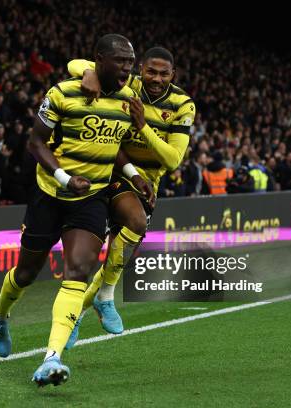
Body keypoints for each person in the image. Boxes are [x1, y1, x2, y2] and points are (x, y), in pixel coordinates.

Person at [0, 34, 139, 387]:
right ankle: (0, 314)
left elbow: (112, 143)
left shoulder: (128, 97)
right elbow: (35, 141)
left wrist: (133, 174)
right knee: (25, 274)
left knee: (78, 271)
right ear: (99, 59)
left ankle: (51, 357)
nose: (126, 70)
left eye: (130, 64)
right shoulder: (62, 93)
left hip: (92, 197)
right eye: (119, 61)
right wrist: (63, 175)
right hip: (50, 193)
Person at [64, 46, 194, 345]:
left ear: (173, 75)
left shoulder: (182, 104)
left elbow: (173, 159)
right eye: (151, 71)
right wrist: (88, 73)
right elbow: (74, 62)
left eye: (164, 74)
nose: (156, 78)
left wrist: (143, 126)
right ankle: (105, 297)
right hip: (111, 170)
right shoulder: (128, 83)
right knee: (133, 223)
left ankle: (77, 316)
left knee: (116, 259)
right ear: (140, 70)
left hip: (146, 183)